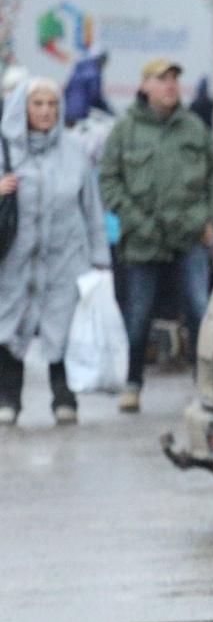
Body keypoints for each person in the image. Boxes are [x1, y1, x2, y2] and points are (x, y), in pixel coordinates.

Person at [96, 59, 213, 413]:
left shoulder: (193, 128)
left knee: (200, 310)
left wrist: (211, 216)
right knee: (137, 316)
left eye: (174, 80)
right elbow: (108, 179)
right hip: (143, 238)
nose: (170, 86)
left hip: (189, 235)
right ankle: (133, 383)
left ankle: (205, 386)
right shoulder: (126, 130)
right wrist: (132, 218)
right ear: (145, 87)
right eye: (162, 79)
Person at [0, 78, 111, 425]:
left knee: (62, 327)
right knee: (9, 326)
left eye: (52, 104)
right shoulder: (6, 150)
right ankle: (8, 399)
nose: (46, 111)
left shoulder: (74, 150)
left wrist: (99, 258)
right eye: (38, 104)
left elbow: (91, 206)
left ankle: (64, 398)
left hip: (65, 258)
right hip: (15, 260)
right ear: (23, 108)